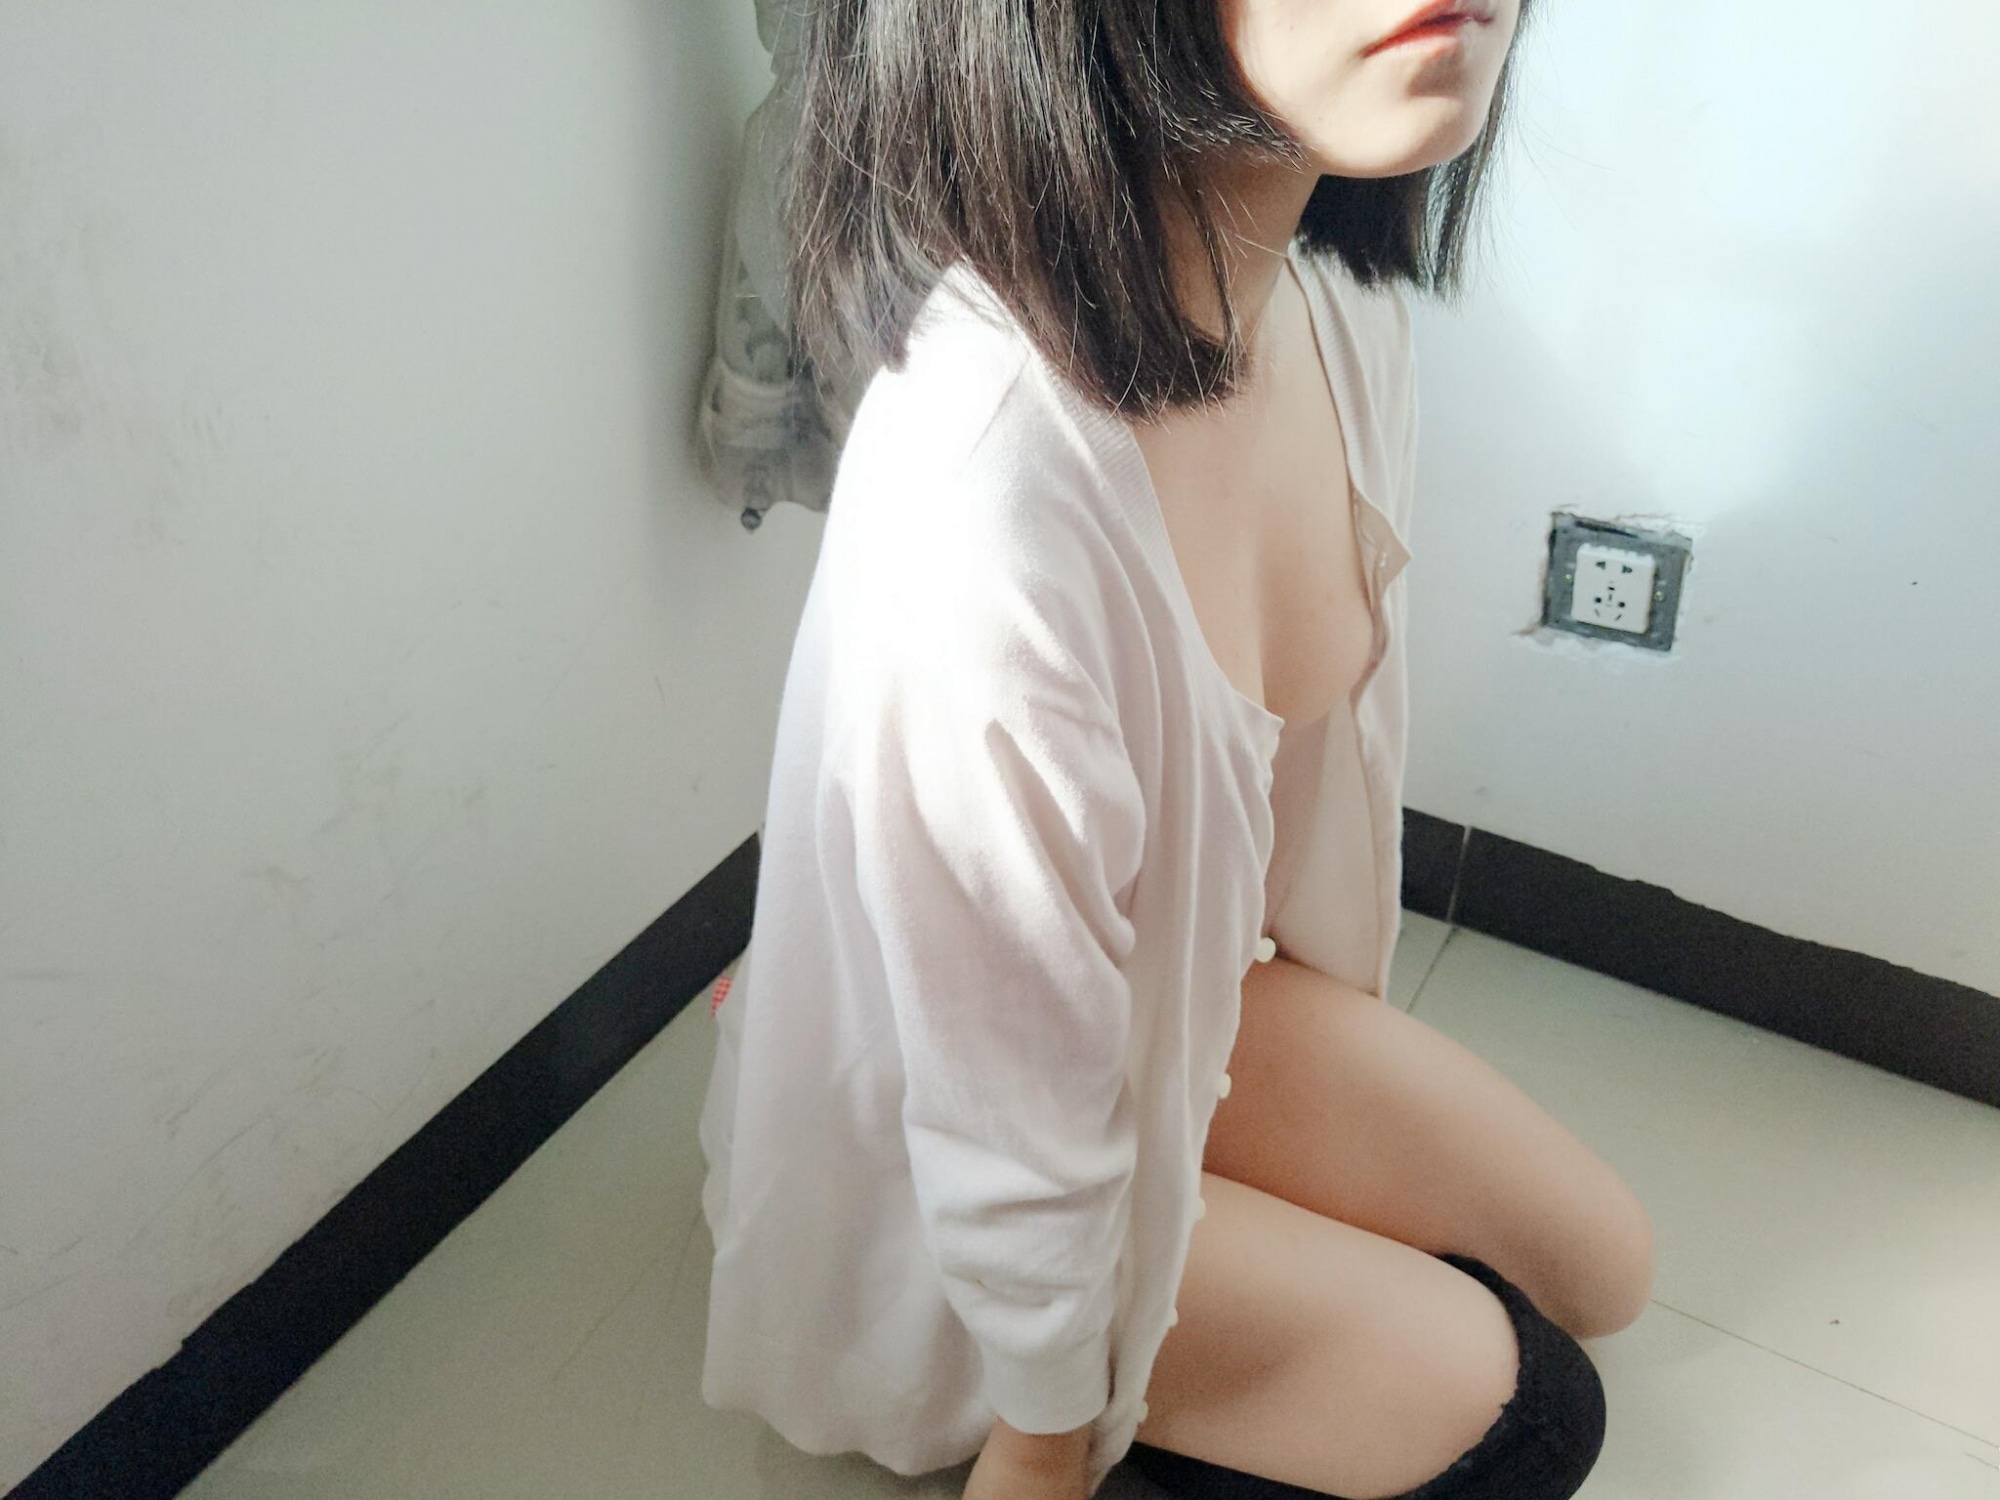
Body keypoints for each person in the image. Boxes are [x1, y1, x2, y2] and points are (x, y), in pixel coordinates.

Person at [694, 1, 1656, 1497]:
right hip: (946, 1155)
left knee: (1604, 1268)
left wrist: (1309, 1127)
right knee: (1535, 1417)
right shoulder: (990, 482)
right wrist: (1044, 1434)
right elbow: (1000, 1113)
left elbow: (1306, 831)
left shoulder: (1335, 313)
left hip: (1171, 1014)